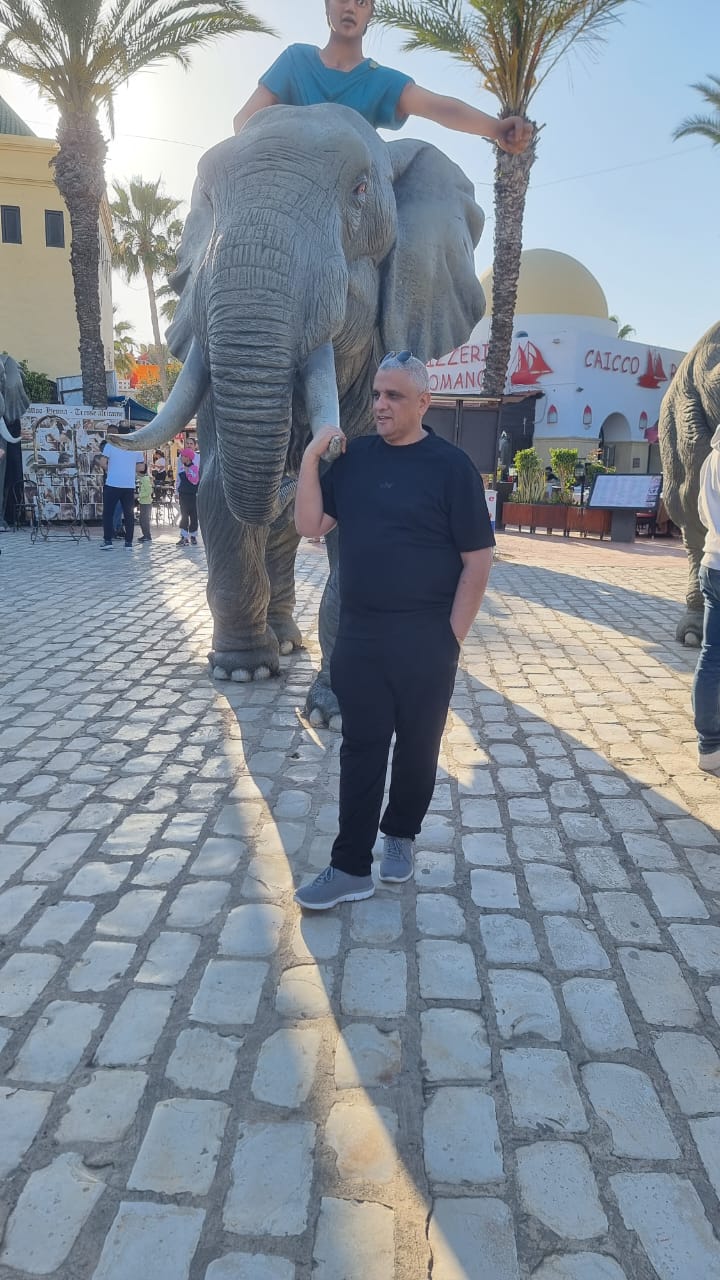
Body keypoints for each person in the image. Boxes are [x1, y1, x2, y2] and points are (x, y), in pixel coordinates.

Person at [293, 351, 495, 910]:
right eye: (378, 394)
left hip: (426, 640)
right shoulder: (354, 460)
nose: (380, 404)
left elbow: (477, 561)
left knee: (418, 748)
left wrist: (450, 639)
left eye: (394, 396)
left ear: (423, 402)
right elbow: (309, 524)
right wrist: (311, 458)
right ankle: (349, 867)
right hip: (358, 638)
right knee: (360, 749)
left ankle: (401, 831)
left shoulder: (452, 468)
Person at [233, 0, 532, 154]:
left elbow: (439, 107)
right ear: (327, 6)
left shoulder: (381, 81)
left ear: (370, 14)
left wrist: (496, 128)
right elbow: (244, 119)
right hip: (286, 180)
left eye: (362, 2)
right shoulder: (295, 60)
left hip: (351, 202)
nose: (350, 8)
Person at [694, 424, 720, 773]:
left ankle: (709, 745)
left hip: (712, 563)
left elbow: (702, 513)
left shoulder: (712, 458)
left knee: (711, 655)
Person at [99, 427, 144, 550]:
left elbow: (102, 462)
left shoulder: (110, 445)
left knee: (108, 513)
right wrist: (129, 468)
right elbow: (141, 467)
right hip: (128, 485)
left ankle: (108, 541)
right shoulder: (136, 448)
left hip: (112, 483)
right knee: (129, 514)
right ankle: (128, 543)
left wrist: (110, 469)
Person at [176, 446, 200, 548]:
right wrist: (176, 491)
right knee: (184, 515)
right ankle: (184, 536)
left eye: (183, 456)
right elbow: (178, 480)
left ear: (188, 458)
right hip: (183, 494)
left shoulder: (195, 468)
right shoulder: (181, 468)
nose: (181, 458)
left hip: (192, 495)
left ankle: (193, 535)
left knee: (194, 515)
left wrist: (188, 472)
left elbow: (195, 481)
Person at [137, 465, 154, 544]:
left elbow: (149, 491)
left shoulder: (146, 480)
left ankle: (147, 536)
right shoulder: (142, 478)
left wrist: (139, 495)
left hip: (146, 503)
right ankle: (145, 535)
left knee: (144, 520)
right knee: (142, 520)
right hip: (143, 502)